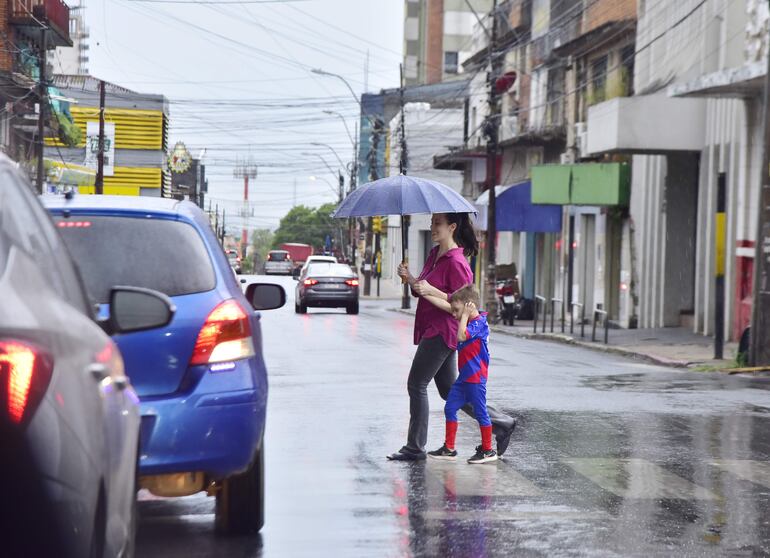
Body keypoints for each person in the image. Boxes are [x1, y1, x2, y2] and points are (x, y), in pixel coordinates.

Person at [386, 212, 516, 461]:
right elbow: (424, 291)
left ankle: (415, 446)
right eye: (432, 222)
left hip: (443, 331)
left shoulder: (457, 263)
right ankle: (501, 422)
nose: (432, 227)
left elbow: (467, 307)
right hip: (431, 327)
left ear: (452, 227)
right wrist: (411, 279)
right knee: (449, 390)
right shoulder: (435, 255)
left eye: (438, 223)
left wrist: (430, 289)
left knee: (417, 383)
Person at [427, 285, 497, 464]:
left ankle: (488, 450)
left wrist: (464, 315)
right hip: (464, 377)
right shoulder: (469, 321)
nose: (454, 314)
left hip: (476, 377)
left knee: (481, 412)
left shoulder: (479, 323)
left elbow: (462, 336)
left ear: (469, 306)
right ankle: (449, 448)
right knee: (450, 407)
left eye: (457, 310)